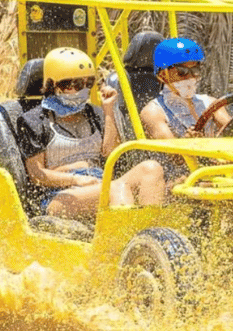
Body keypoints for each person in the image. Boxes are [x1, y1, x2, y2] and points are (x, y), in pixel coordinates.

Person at [16, 46, 166, 220]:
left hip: (99, 182)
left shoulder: (94, 114)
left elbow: (111, 154)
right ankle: (128, 239)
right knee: (116, 188)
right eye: (76, 84)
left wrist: (109, 110)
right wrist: (76, 179)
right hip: (59, 195)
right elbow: (37, 175)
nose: (84, 90)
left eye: (89, 84)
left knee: (151, 168)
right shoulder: (34, 120)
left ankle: (152, 232)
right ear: (54, 85)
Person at [140, 37, 233, 140]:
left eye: (195, 70)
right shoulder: (153, 112)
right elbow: (173, 155)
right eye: (182, 71)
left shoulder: (209, 103)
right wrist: (187, 143)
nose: (190, 77)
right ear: (163, 75)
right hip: (179, 173)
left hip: (212, 168)